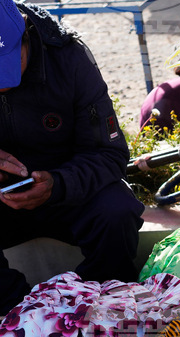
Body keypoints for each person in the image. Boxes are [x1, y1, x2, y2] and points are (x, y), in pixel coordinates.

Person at [0, 0, 144, 316]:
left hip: (69, 193)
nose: (3, 83)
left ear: (25, 36)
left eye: (9, 62)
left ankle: (104, 307)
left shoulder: (70, 59)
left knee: (117, 210)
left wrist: (60, 184)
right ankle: (22, 315)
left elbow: (110, 154)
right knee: (19, 313)